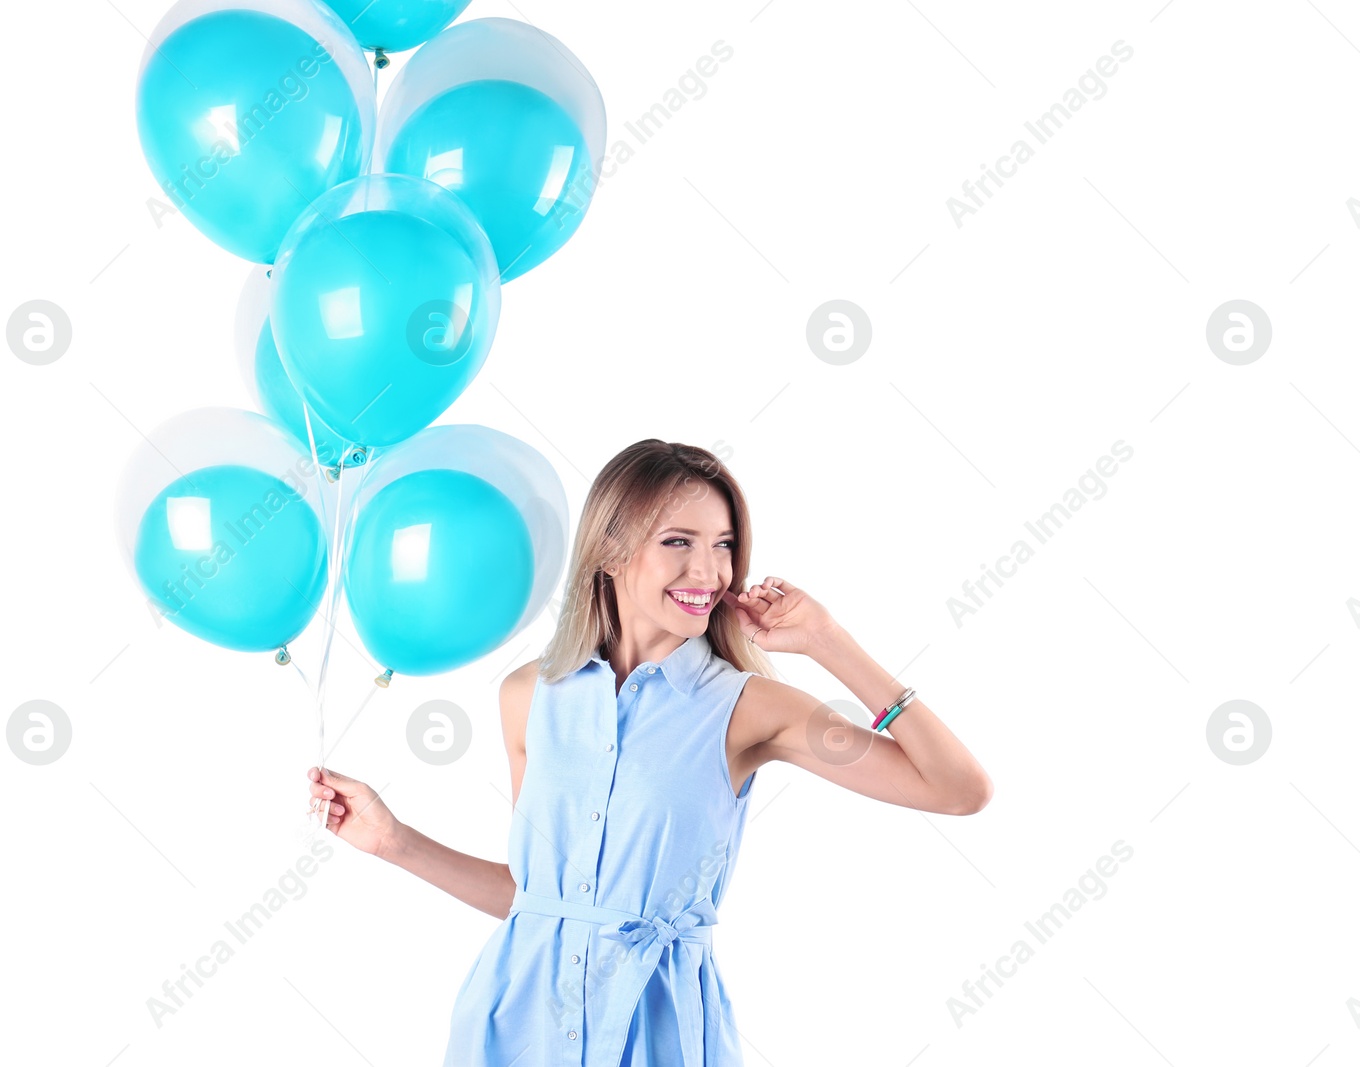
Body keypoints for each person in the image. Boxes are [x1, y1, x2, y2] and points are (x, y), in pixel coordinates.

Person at [306, 439, 993, 1065]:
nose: (711, 570)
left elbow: (958, 788)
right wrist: (394, 840)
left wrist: (826, 640)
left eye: (724, 544)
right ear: (610, 548)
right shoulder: (529, 694)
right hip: (516, 1028)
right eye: (678, 541)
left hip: (658, 1033)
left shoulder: (748, 706)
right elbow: (537, 896)